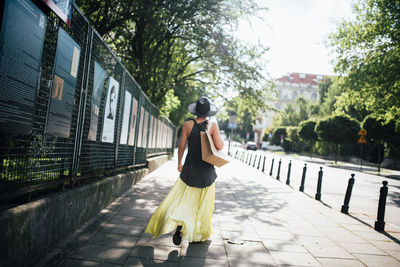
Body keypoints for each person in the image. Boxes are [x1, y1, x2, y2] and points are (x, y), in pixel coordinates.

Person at [145, 97, 224, 245]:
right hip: (206, 171)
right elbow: (219, 146)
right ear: (208, 112)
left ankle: (179, 226)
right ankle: (198, 233)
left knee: (184, 200)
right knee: (203, 205)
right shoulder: (212, 125)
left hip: (189, 169)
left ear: (196, 111)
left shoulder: (187, 124)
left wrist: (179, 163)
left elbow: (181, 146)